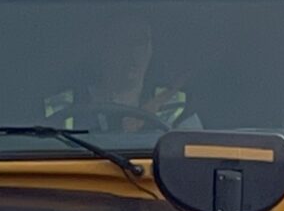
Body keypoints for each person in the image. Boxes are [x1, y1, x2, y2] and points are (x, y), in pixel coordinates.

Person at [42, 10, 198, 132]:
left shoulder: (177, 107)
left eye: (141, 42)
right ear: (103, 50)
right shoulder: (62, 105)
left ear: (152, 50)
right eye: (122, 42)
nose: (133, 53)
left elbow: (191, 163)